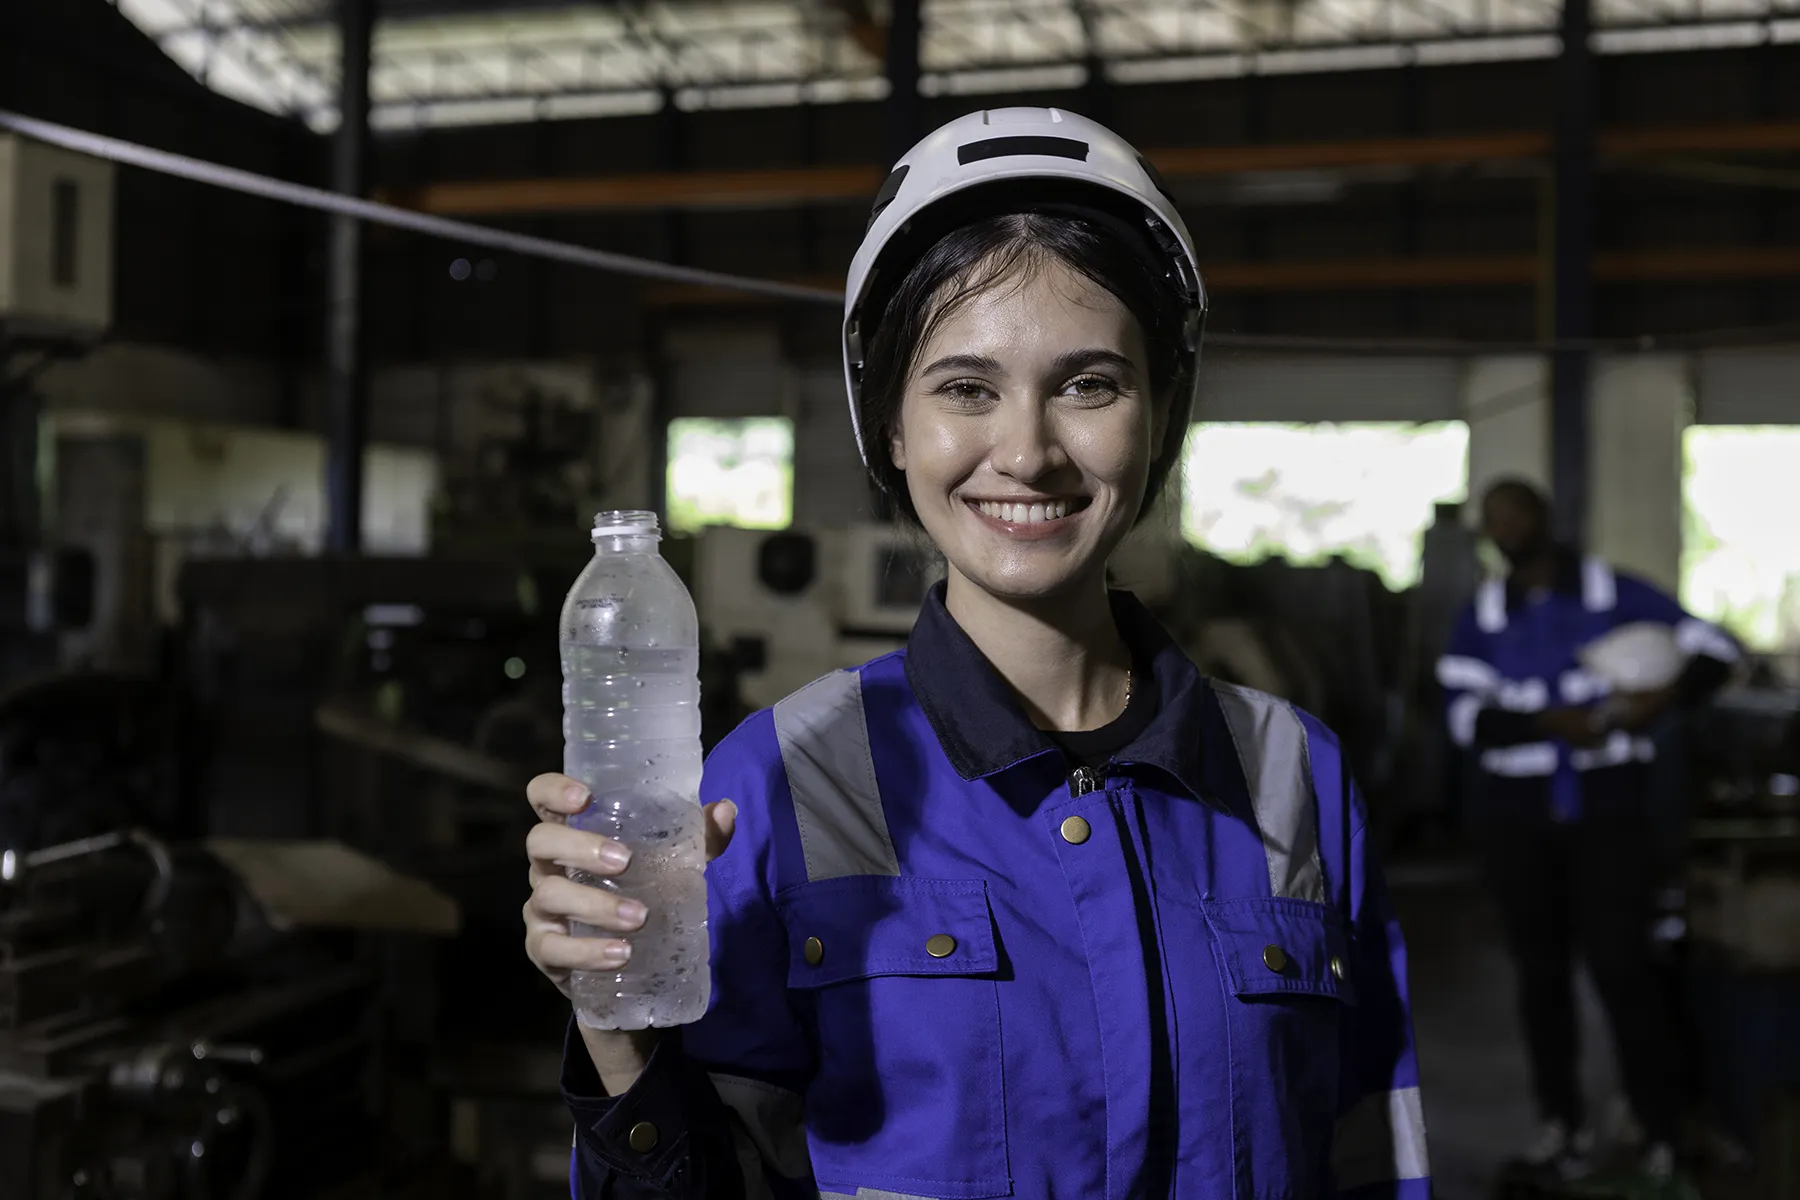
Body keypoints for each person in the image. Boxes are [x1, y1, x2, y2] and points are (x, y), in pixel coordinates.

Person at [523, 108, 1430, 1200]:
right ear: (890, 427)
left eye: (1090, 384)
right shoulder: (778, 784)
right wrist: (620, 1036)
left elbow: (1373, 1156)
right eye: (964, 388)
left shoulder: (1298, 778)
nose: (1028, 452)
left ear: (1161, 414)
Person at [1436, 478, 1740, 1181]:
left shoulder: (1618, 595)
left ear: (1547, 515)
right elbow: (1462, 719)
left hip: (1607, 808)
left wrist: (1655, 703)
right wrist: (1549, 723)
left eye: (1516, 513)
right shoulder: (1482, 614)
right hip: (1518, 814)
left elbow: (1716, 651)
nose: (1505, 527)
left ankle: (1659, 1130)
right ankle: (1561, 1129)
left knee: (1621, 966)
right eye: (1493, 520)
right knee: (1541, 977)